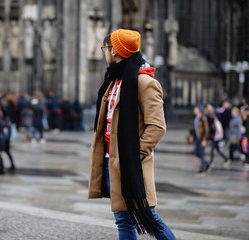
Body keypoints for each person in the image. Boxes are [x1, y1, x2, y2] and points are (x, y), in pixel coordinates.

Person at [88, 29, 176, 239]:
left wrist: (134, 156)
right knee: (123, 220)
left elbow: (157, 127)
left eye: (106, 48)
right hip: (113, 162)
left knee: (149, 217)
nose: (104, 53)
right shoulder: (114, 80)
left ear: (115, 51)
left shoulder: (145, 82)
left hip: (131, 164)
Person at [190, 104, 210, 175]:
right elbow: (194, 129)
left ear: (199, 110)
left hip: (202, 139)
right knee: (196, 152)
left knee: (201, 154)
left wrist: (204, 140)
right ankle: (207, 163)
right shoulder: (196, 118)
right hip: (197, 139)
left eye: (195, 109)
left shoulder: (203, 118)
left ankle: (203, 169)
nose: (194, 110)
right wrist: (192, 136)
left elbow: (206, 129)